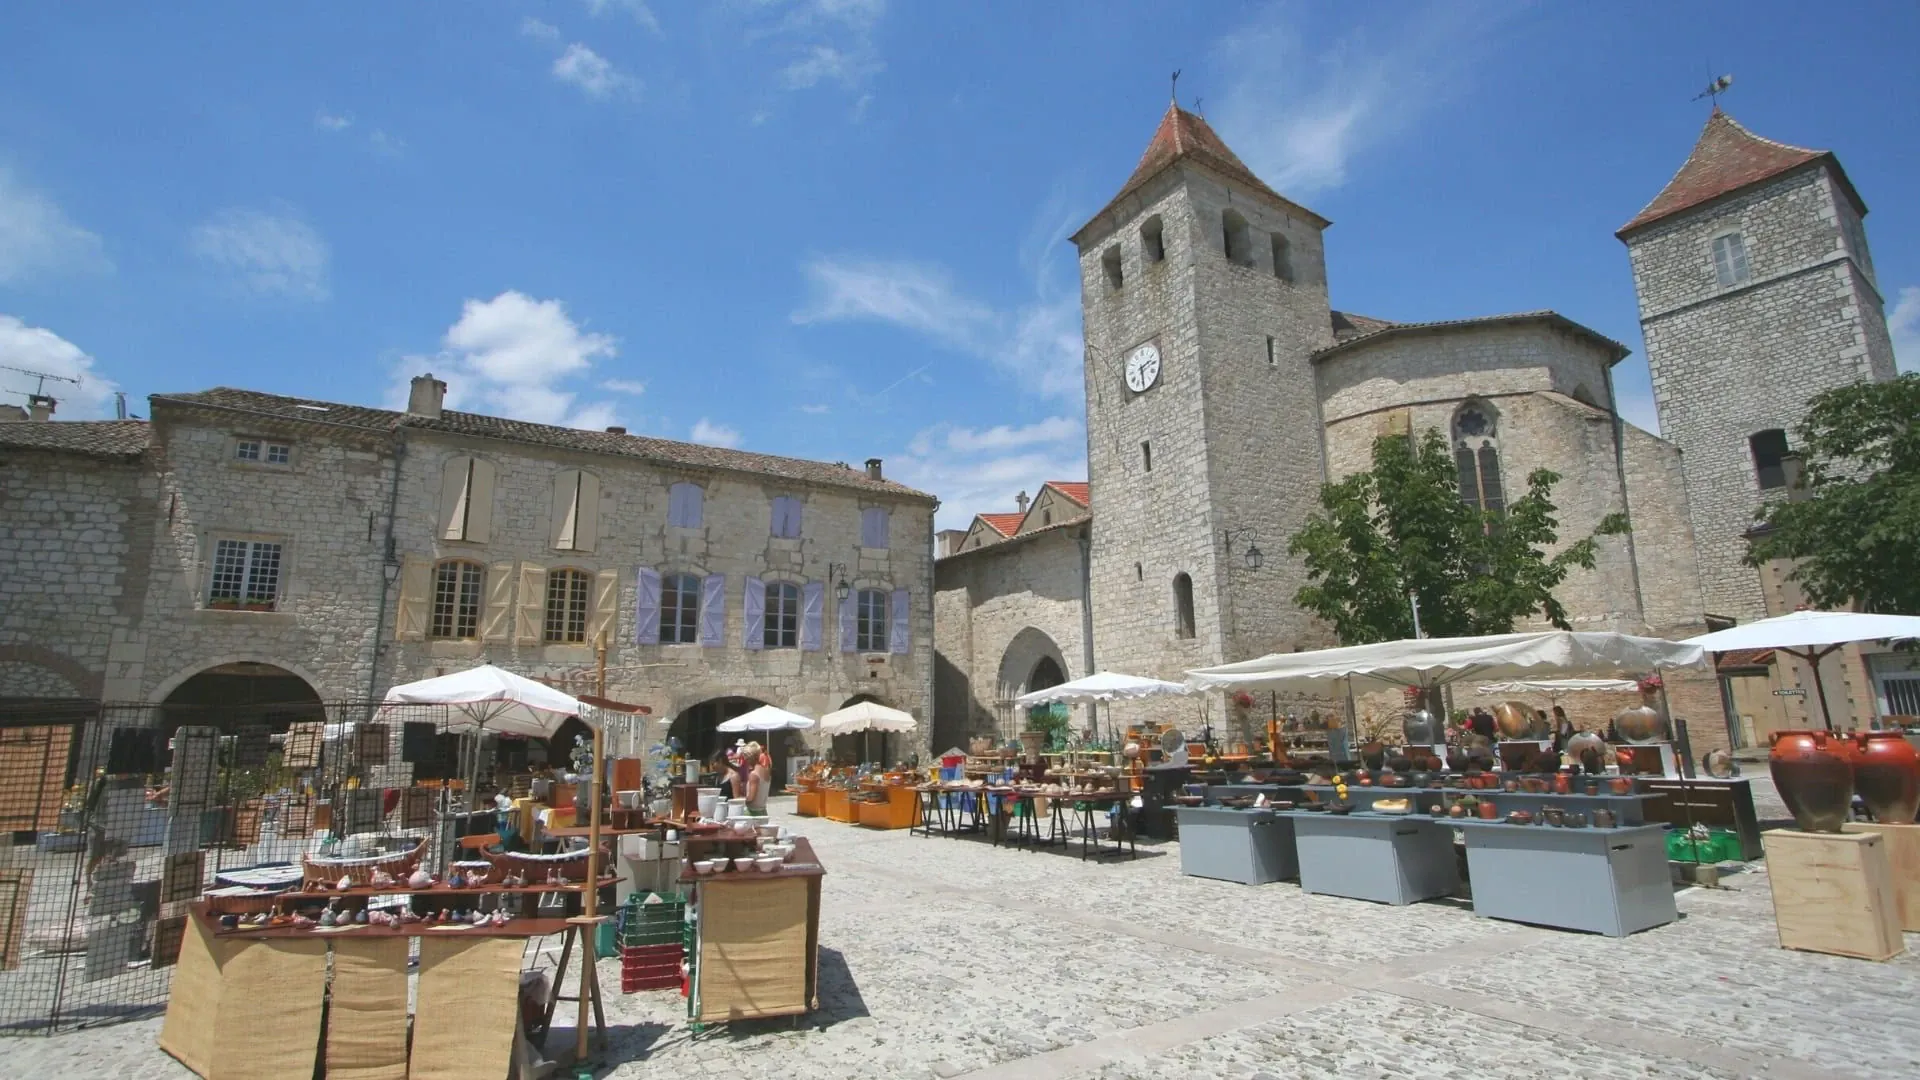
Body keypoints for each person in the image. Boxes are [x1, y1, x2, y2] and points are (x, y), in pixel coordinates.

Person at [743, 742, 772, 815]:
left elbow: (751, 798)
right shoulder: (766, 772)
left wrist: (741, 800)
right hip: (763, 811)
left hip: (753, 813)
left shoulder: (754, 774)